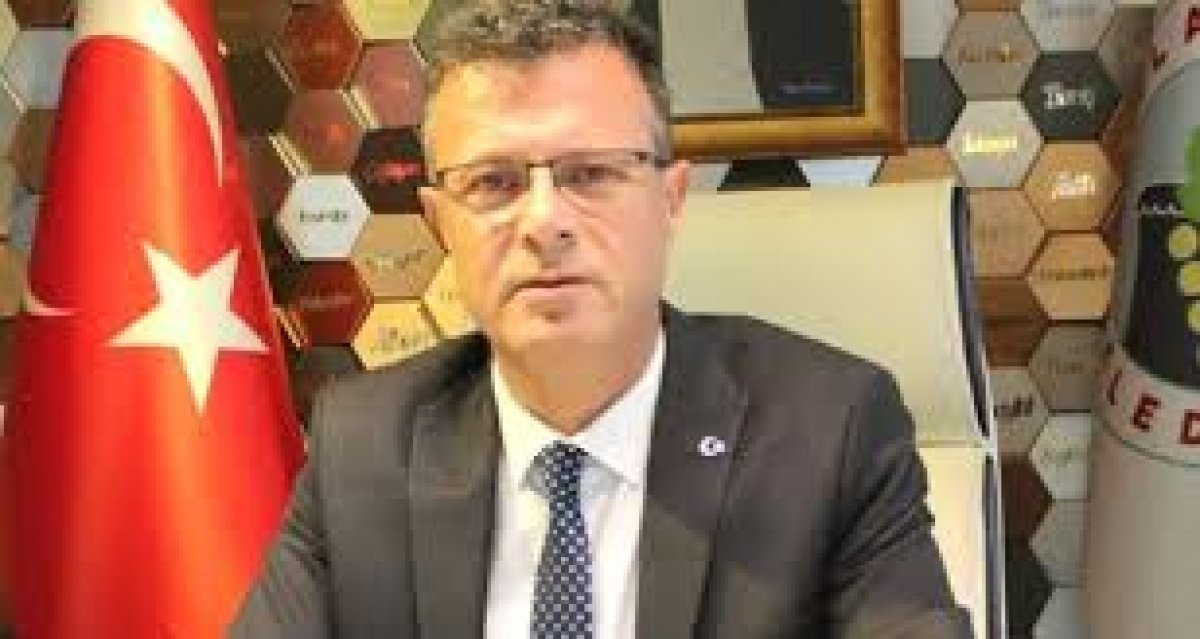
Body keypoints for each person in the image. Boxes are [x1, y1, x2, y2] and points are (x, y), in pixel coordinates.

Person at [231, 1, 971, 637]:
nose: (544, 221)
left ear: (670, 200)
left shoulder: (830, 430)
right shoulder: (364, 446)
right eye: (494, 182)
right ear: (439, 223)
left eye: (590, 174)